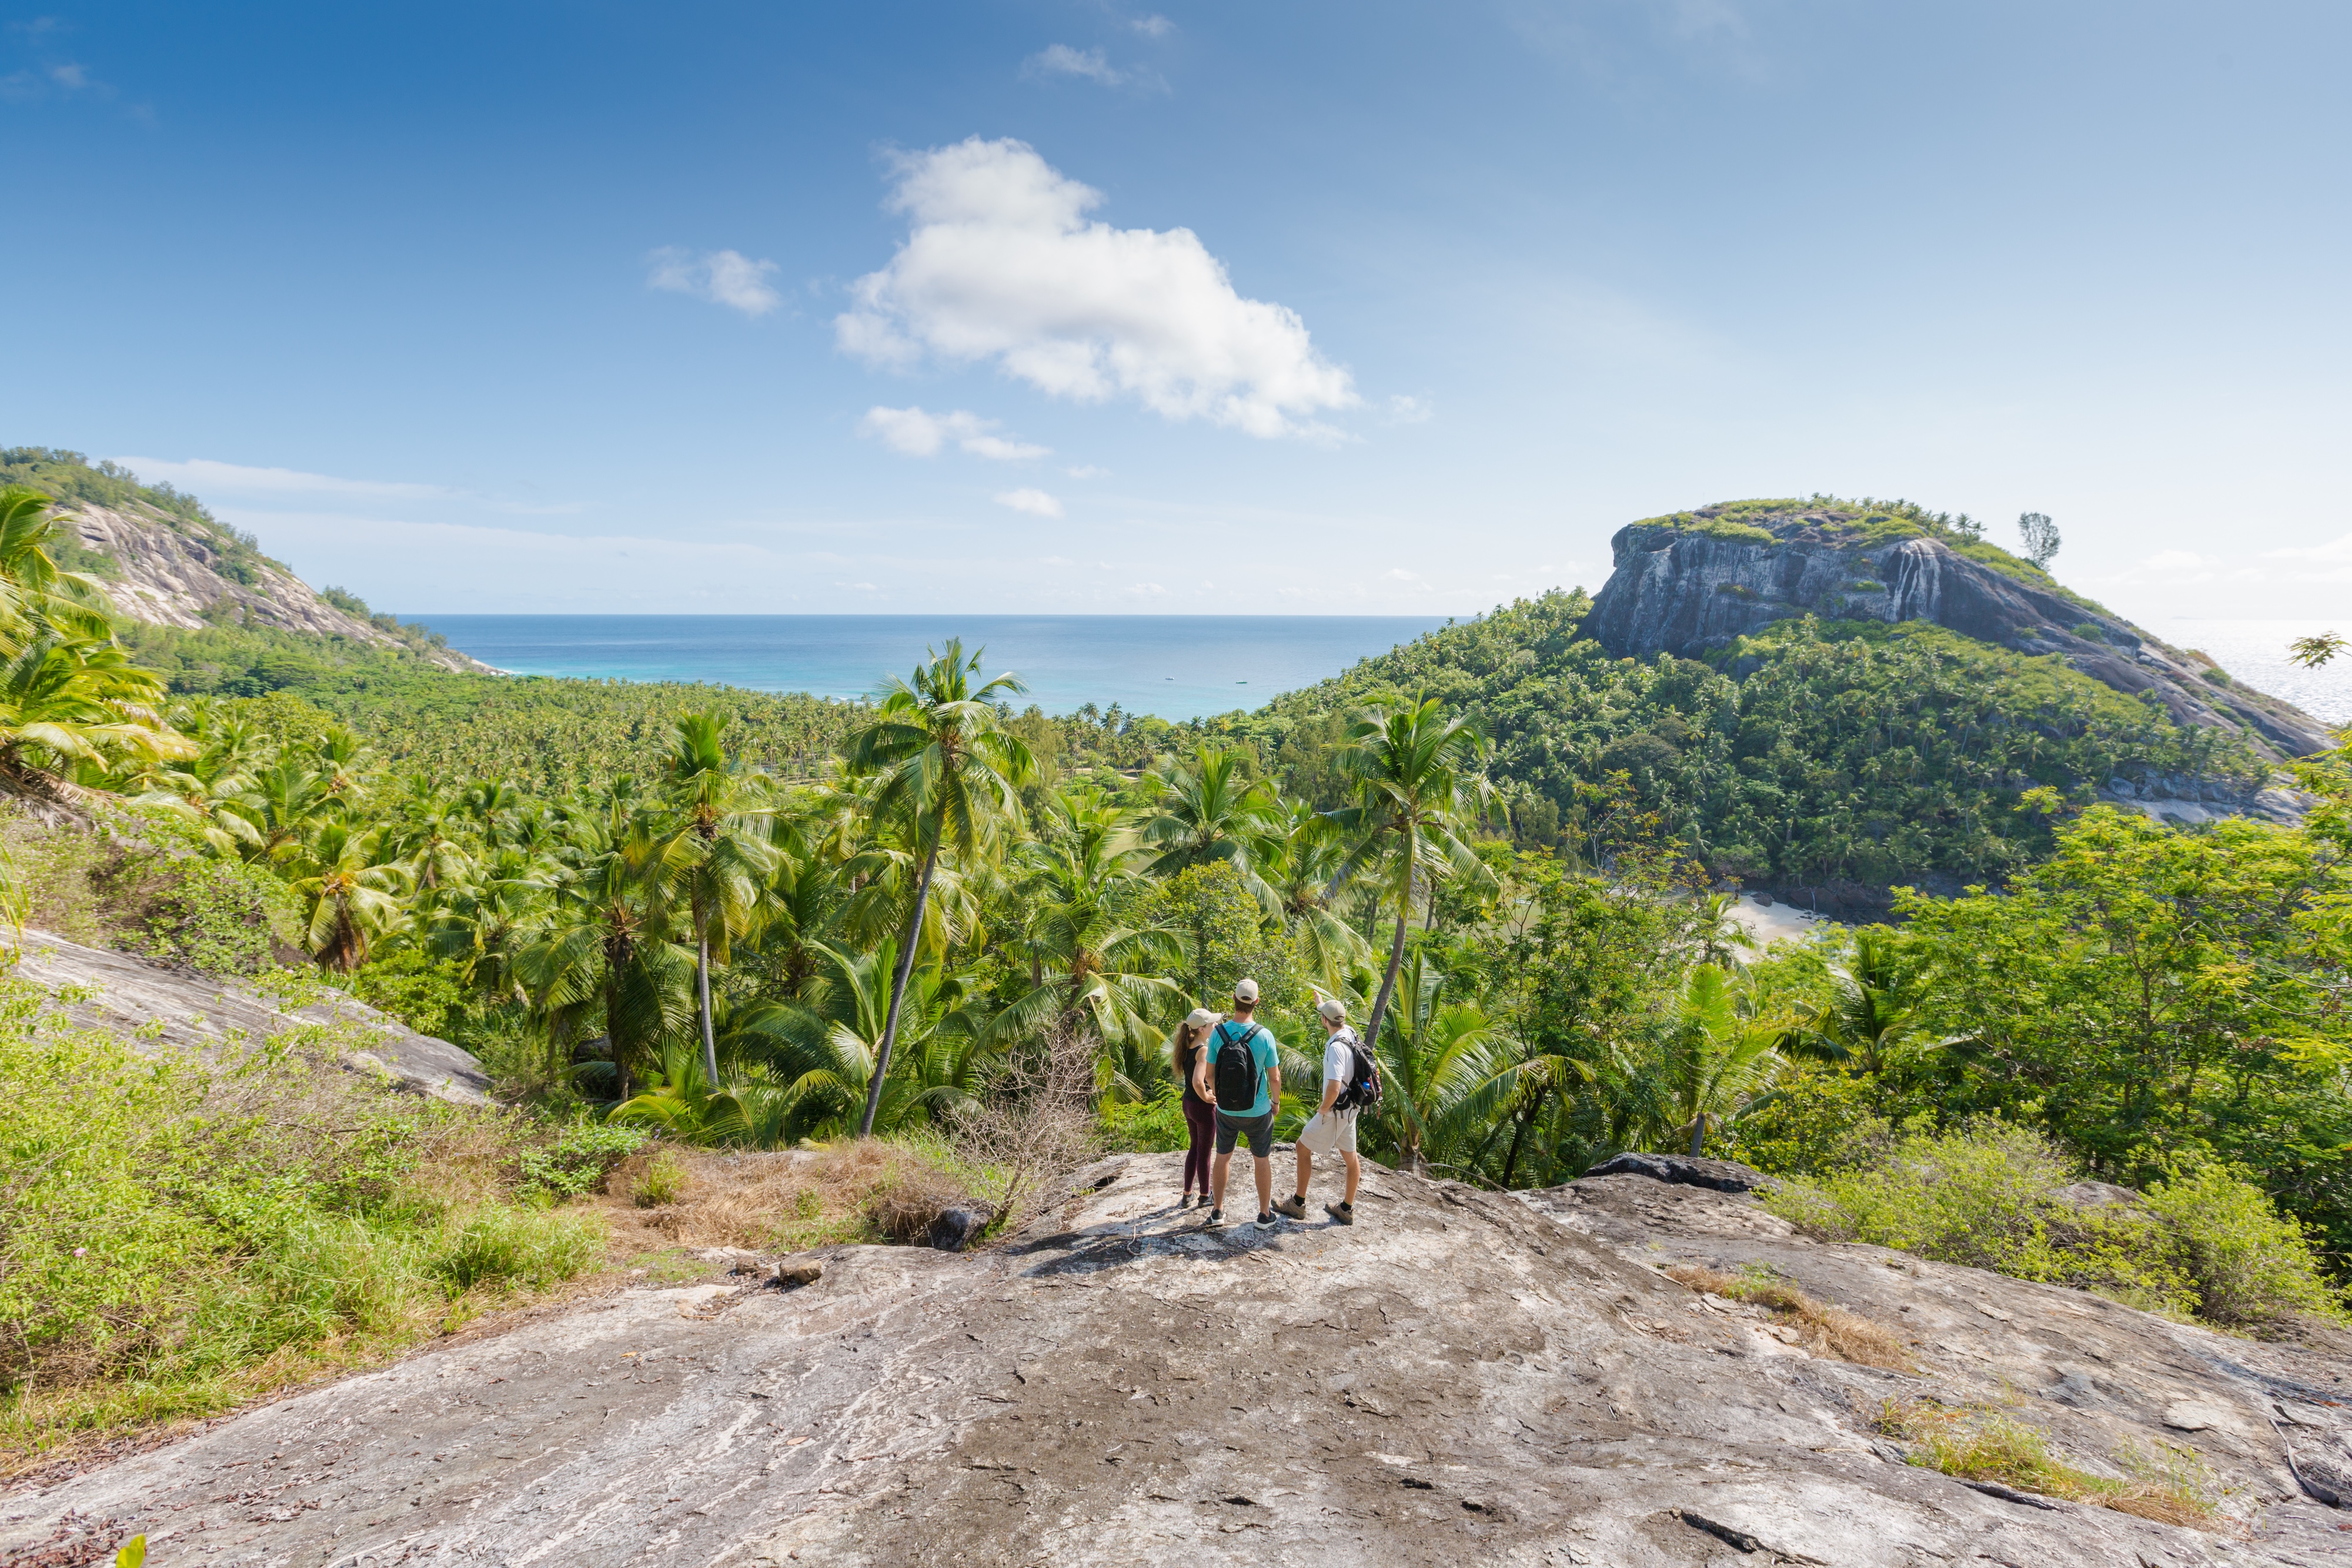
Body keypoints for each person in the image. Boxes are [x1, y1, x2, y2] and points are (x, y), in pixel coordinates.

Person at [1196, 977, 1282, 1229]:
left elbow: (1209, 1075)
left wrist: (1220, 1097)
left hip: (1226, 1111)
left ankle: (1218, 1212)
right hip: (1258, 1111)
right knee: (1261, 1159)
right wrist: (1275, 1102)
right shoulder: (1265, 1035)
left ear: (1233, 999)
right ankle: (1264, 1215)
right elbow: (1274, 1077)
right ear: (1256, 1002)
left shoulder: (1218, 1034)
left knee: (1223, 1158)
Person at [1276, 997, 1364, 1226]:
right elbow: (1331, 1014)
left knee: (1302, 1147)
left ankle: (1298, 1203)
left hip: (1335, 1111)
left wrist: (1323, 1109)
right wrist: (1321, 1002)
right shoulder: (1350, 1033)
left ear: (1324, 1021)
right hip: (1351, 1107)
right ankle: (1346, 1208)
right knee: (1351, 1158)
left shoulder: (1336, 1048)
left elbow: (1334, 1086)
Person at [1171, 1007, 1220, 1208]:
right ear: (1202, 1029)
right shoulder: (1203, 1050)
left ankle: (1187, 1193)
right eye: (1211, 1024)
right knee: (1205, 1152)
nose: (1215, 1026)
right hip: (1201, 1107)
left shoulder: (1187, 1045)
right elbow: (1199, 1081)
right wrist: (1207, 1097)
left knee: (1194, 1148)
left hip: (1188, 1103)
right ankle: (1204, 1195)